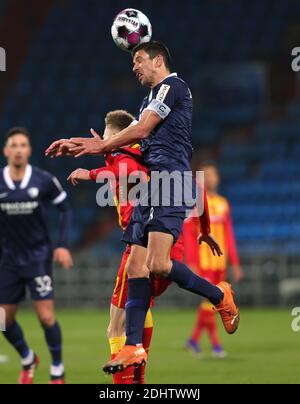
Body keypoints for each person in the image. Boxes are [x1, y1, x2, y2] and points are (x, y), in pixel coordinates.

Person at [45, 41, 239, 374]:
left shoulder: (172, 86)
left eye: (138, 59)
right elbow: (132, 148)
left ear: (158, 60)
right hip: (153, 188)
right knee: (138, 267)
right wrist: (94, 146)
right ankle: (133, 347)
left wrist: (100, 150)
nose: (134, 66)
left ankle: (218, 295)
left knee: (159, 265)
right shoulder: (149, 99)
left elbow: (143, 129)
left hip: (169, 182)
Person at [67, 109, 210, 383]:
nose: (103, 143)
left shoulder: (123, 159)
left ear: (117, 136)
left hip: (142, 244)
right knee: (140, 310)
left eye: (107, 137)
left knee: (115, 327)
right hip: (165, 238)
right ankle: (139, 379)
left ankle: (128, 386)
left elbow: (124, 167)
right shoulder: (151, 154)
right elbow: (196, 187)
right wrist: (205, 228)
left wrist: (92, 172)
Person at [0, 127, 73, 384]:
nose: (18, 149)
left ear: (29, 150)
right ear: (6, 150)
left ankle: (57, 368)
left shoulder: (43, 180)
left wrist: (62, 245)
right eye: (14, 145)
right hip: (8, 260)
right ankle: (28, 357)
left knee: (45, 317)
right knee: (2, 321)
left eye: (23, 145)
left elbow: (65, 209)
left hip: (38, 257)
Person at [184, 162, 243, 358]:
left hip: (219, 261)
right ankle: (215, 344)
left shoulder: (223, 203)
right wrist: (191, 261)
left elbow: (229, 234)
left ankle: (194, 340)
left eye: (214, 174)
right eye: (208, 175)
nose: (212, 178)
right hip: (203, 261)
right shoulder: (198, 203)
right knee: (210, 302)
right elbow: (189, 234)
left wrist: (234, 263)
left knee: (214, 303)